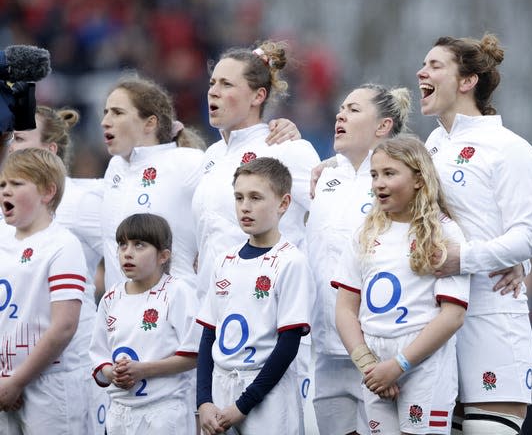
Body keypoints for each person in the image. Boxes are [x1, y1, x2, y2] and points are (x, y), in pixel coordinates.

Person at [417, 33, 532, 434]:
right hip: (433, 319)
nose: (422, 71)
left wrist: (466, 259)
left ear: (467, 81)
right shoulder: (431, 144)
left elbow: (527, 235)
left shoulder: (509, 148)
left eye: (435, 65)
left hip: (491, 318)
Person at [191, 39, 320, 429]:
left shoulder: (287, 148)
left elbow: (330, 212)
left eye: (227, 84)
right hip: (219, 326)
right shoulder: (211, 157)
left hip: (273, 323)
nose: (214, 91)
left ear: (258, 95)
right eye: (212, 82)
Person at [333, 136, 470, 435]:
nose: (378, 183)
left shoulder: (443, 231)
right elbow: (344, 308)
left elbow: (453, 315)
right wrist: (369, 365)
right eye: (374, 174)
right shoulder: (365, 233)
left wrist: (399, 365)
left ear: (419, 179)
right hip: (374, 366)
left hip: (424, 364)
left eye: (389, 174)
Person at [305, 83, 412, 435]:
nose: (340, 114)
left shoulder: (402, 178)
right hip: (324, 348)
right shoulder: (326, 176)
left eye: (353, 109)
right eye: (340, 108)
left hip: (376, 348)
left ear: (382, 126)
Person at [6, 105, 106, 433]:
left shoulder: (79, 200)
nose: (11, 145)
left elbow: (138, 247)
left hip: (61, 367)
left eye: (20, 138)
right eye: (10, 138)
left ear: (49, 151)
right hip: (11, 370)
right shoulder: (8, 212)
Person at [195, 157, 313, 435]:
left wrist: (244, 404)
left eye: (256, 197)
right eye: (239, 197)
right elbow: (209, 334)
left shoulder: (291, 261)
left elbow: (288, 344)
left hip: (265, 397)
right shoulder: (224, 260)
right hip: (220, 391)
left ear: (283, 204)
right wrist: (204, 401)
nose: (245, 206)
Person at [89, 213, 200, 434]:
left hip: (163, 413)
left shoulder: (178, 292)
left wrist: (143, 370)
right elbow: (98, 356)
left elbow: (194, 354)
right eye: (122, 245)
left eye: (139, 245)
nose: (127, 253)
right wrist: (113, 373)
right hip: (119, 414)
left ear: (163, 256)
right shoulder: (111, 298)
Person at [100, 76, 206, 296]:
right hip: (120, 313)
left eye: (117, 113)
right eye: (106, 112)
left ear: (150, 123)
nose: (105, 121)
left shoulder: (187, 162)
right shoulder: (115, 169)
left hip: (175, 311)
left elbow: (237, 198)